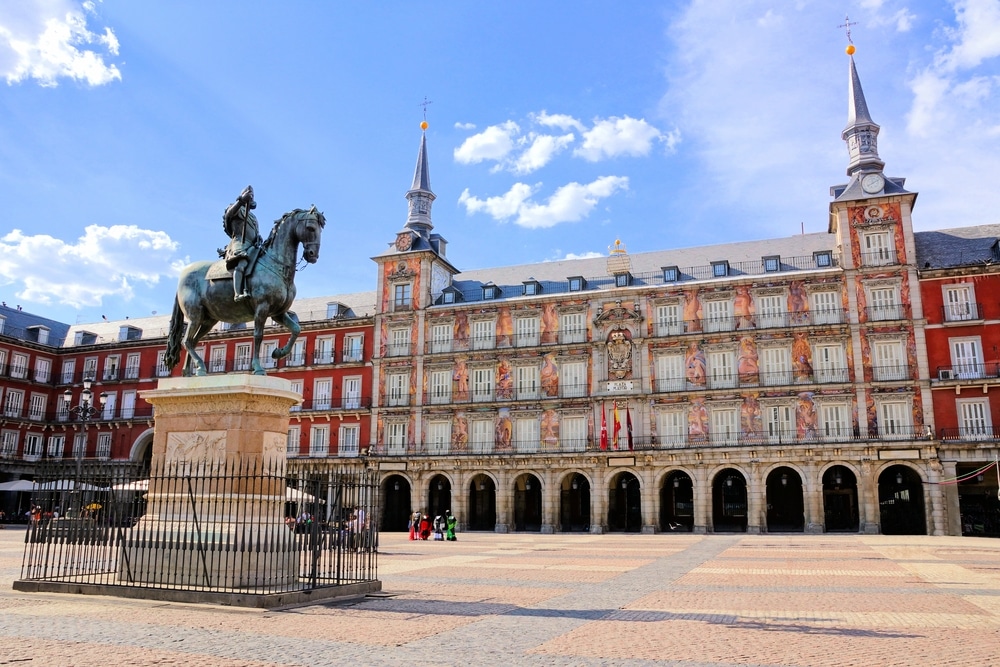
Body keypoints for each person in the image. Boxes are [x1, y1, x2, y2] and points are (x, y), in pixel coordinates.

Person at [222, 185, 261, 301]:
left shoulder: (253, 217)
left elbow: (254, 232)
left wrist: (258, 238)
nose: (251, 197)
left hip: (252, 245)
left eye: (253, 195)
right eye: (249, 194)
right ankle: (237, 293)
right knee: (242, 262)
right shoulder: (235, 207)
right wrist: (241, 200)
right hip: (240, 241)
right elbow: (229, 215)